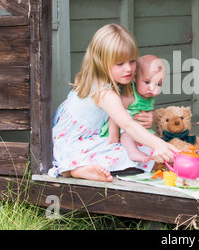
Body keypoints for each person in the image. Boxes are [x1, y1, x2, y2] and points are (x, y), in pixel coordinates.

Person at [48, 24, 179, 182]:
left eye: (132, 61)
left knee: (139, 149)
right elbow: (127, 124)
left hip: (89, 136)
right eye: (120, 64)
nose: (128, 69)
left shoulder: (114, 79)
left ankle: (79, 167)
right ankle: (77, 169)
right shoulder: (104, 92)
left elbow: (136, 105)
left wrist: (150, 116)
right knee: (133, 153)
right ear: (100, 62)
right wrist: (158, 144)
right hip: (74, 142)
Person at [100, 54, 166, 163]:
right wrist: (114, 137)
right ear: (135, 78)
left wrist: (151, 116)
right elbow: (114, 115)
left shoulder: (148, 95)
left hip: (138, 128)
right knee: (127, 134)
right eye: (147, 82)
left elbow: (146, 110)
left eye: (157, 84)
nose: (152, 88)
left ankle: (161, 155)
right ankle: (133, 151)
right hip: (124, 128)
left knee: (156, 137)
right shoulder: (130, 96)